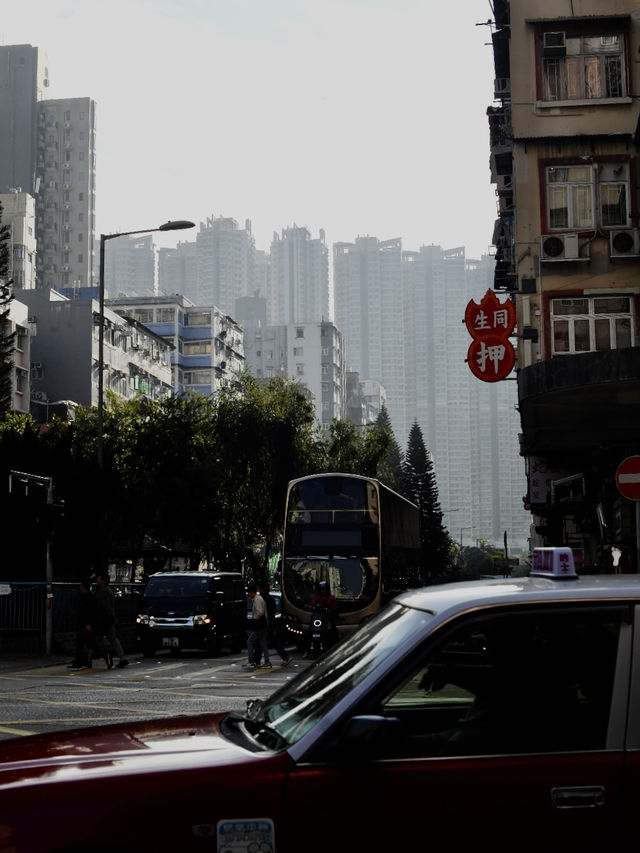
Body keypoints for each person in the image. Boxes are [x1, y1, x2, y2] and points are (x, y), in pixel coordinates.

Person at [67, 578, 110, 670]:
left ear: (82, 587)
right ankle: (85, 661)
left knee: (82, 644)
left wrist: (88, 624)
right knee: (89, 643)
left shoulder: (86, 598)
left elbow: (88, 612)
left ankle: (80, 662)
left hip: (85, 625)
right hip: (86, 624)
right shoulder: (91, 597)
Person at [95, 572, 129, 668]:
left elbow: (106, 607)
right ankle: (120, 657)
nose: (97, 580)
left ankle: (108, 655)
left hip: (105, 619)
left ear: (102, 581)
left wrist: (111, 617)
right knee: (113, 639)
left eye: (99, 578)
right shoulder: (107, 590)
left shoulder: (103, 592)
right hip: (108, 619)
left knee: (102, 638)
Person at [258, 583, 291, 667]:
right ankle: (285, 656)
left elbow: (266, 613)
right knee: (266, 641)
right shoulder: (270, 599)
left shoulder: (265, 599)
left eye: (260, 590)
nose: (260, 591)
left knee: (262, 642)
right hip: (270, 623)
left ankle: (259, 660)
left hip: (266, 624)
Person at [245, 583, 270, 669]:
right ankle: (267, 661)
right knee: (263, 643)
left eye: (249, 593)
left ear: (252, 592)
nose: (248, 595)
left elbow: (260, 612)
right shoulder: (259, 599)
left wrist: (255, 618)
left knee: (249, 641)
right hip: (263, 624)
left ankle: (251, 661)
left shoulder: (257, 600)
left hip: (259, 624)